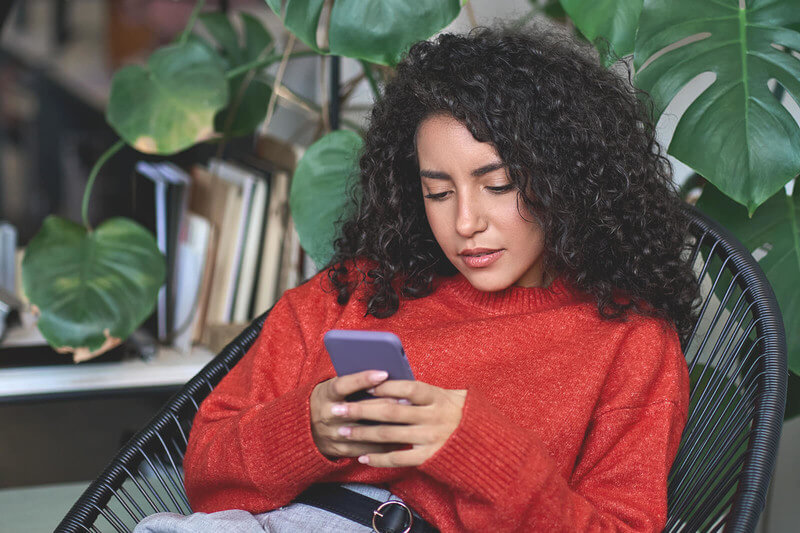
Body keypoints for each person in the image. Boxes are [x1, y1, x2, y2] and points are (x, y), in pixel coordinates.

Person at [135, 23, 700, 533]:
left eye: (498, 186)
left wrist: (477, 449)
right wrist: (307, 430)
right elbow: (204, 473)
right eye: (438, 191)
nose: (465, 223)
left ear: (567, 179)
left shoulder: (628, 340)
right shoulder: (356, 290)